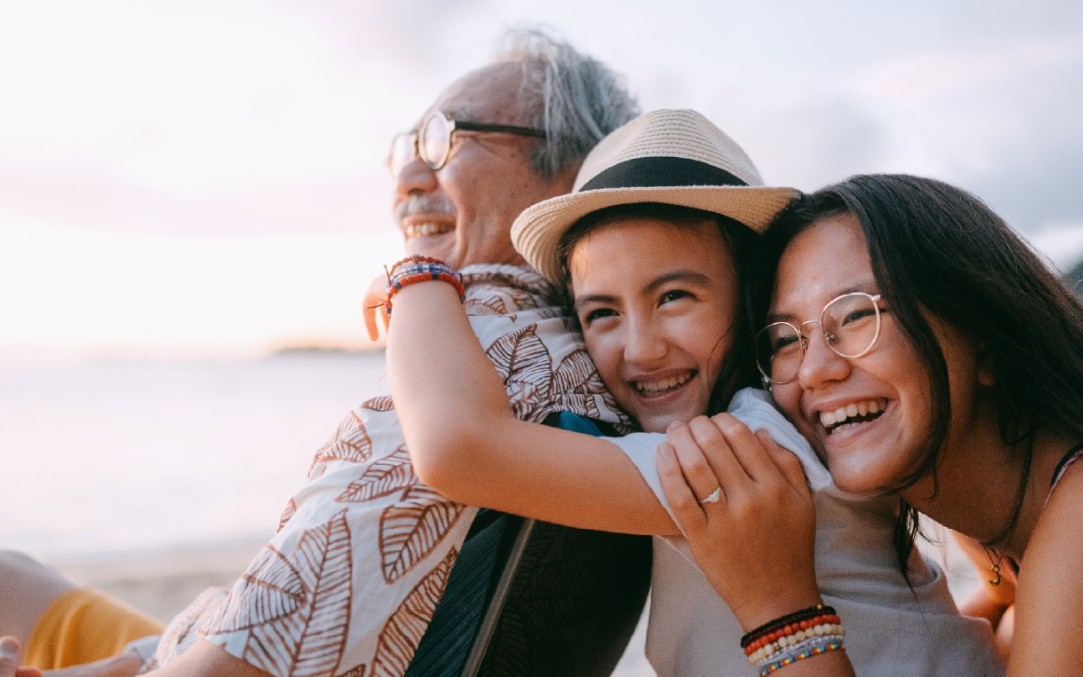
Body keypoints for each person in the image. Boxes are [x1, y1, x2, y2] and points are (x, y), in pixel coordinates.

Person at [0, 27, 651, 677]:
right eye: (405, 147)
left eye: (444, 138)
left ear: (571, 174)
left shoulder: (464, 358)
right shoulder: (608, 359)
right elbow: (283, 610)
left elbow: (253, 653)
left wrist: (417, 283)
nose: (406, 178)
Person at [383, 109, 1004, 675]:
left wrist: (417, 278)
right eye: (601, 313)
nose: (642, 348)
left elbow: (456, 450)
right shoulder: (797, 424)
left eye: (674, 297)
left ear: (755, 299)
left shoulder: (739, 450)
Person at [659, 173, 1083, 674]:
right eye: (784, 340)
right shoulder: (991, 536)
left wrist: (780, 610)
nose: (814, 370)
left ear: (985, 333)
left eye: (856, 316)